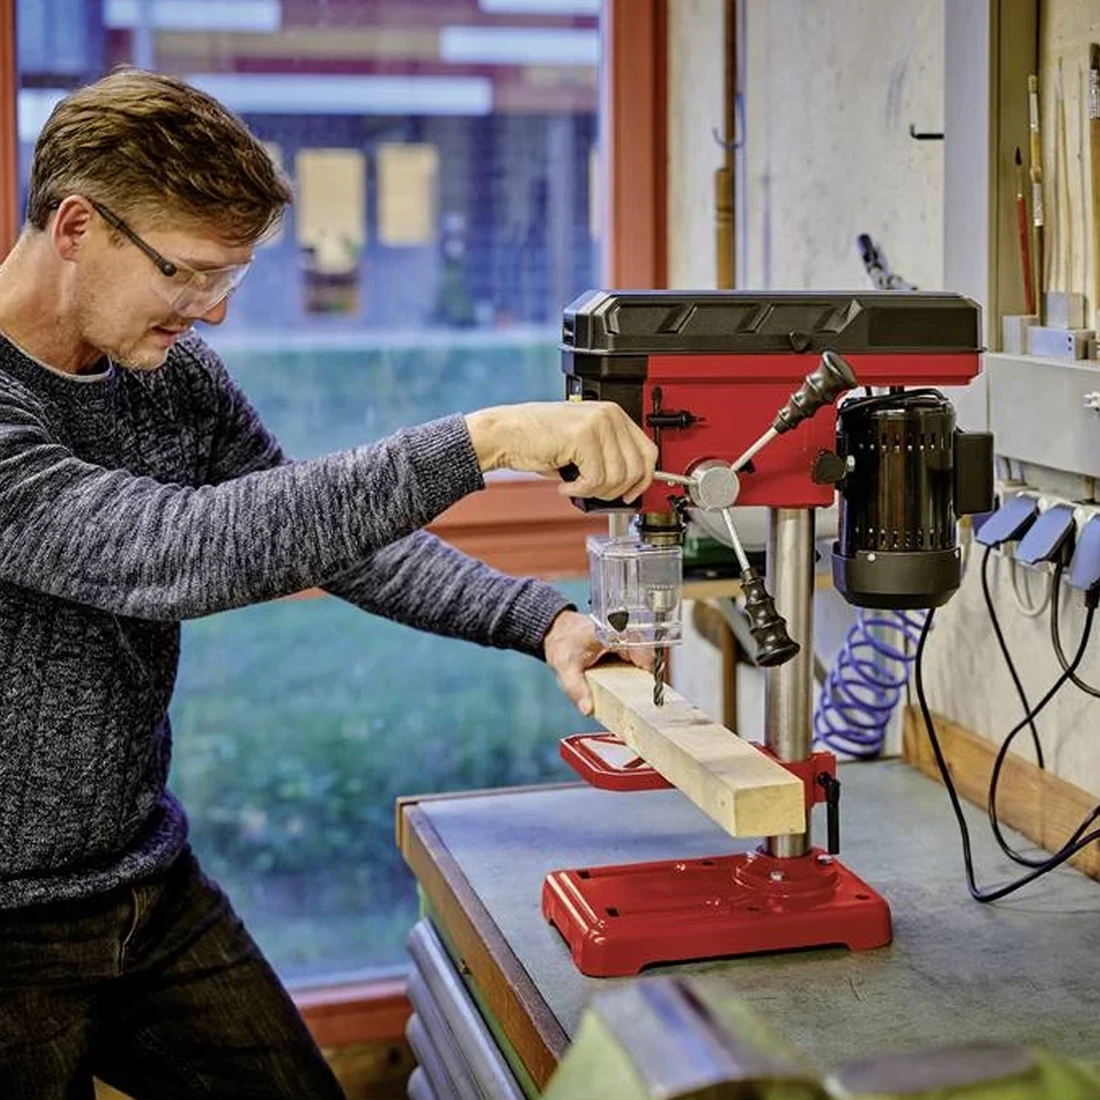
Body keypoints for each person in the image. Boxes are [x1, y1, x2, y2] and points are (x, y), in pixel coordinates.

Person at [0, 68, 656, 1098]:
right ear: (77, 226)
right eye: (188, 273)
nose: (214, 311)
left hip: (141, 879)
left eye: (231, 276)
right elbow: (174, 550)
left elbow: (327, 538)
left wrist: (544, 619)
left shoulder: (169, 378)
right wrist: (484, 440)